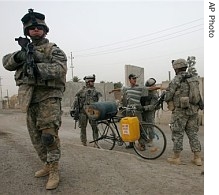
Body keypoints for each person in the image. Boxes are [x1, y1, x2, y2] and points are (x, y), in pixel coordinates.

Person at [2, 9, 67, 190]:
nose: (36, 30)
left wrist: (37, 60)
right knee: (36, 137)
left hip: (48, 97)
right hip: (29, 99)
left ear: (45, 30)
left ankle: (54, 169)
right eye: (32, 28)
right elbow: (6, 62)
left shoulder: (54, 50)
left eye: (39, 27)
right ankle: (46, 163)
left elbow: (59, 70)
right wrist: (20, 56)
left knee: (48, 136)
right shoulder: (23, 51)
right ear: (27, 32)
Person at [164, 58, 202, 166]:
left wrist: (166, 96)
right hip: (193, 110)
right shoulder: (193, 78)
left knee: (177, 133)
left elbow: (168, 96)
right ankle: (197, 158)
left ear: (176, 68)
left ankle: (176, 158)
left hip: (180, 112)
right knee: (193, 133)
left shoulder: (176, 79)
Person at [71, 74, 102, 147]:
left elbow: (100, 99)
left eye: (93, 81)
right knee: (83, 128)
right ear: (87, 82)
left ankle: (96, 142)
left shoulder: (96, 91)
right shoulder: (81, 91)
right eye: (91, 81)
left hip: (92, 110)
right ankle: (84, 142)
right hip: (83, 111)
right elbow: (76, 100)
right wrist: (72, 109)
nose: (93, 82)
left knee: (94, 127)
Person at [140, 78, 160, 147]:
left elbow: (152, 106)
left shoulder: (154, 94)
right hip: (143, 110)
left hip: (150, 111)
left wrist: (144, 108)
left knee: (150, 125)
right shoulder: (145, 91)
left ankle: (151, 140)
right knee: (143, 126)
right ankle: (145, 139)